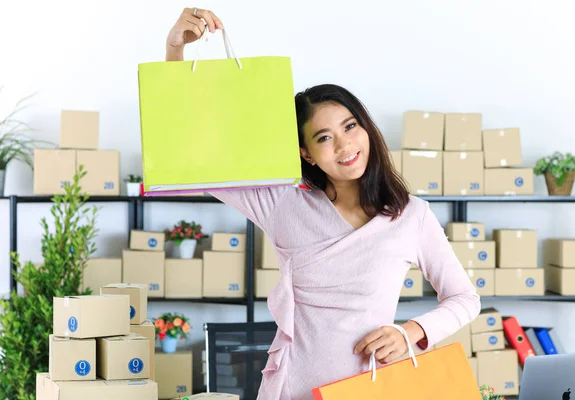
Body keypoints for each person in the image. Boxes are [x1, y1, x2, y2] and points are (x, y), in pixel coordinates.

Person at [165, 7, 481, 400]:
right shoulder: (281, 201)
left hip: (371, 389)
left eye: (350, 127)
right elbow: (187, 157)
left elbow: (465, 299)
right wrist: (175, 50)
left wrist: (410, 332)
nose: (346, 145)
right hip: (292, 389)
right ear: (308, 154)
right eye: (325, 137)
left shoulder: (411, 215)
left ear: (366, 128)